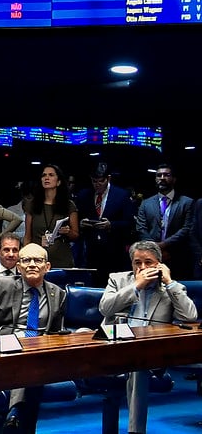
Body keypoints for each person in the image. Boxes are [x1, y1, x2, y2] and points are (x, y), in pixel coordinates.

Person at [0, 243, 66, 434]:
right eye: (26, 260)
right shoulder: (1, 285)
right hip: (6, 350)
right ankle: (16, 413)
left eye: (38, 260)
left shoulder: (57, 293)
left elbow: (56, 333)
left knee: (34, 366)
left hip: (39, 354)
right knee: (30, 370)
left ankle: (15, 414)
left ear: (47, 267)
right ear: (18, 266)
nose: (32, 264)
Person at [98, 240, 197, 434]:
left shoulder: (169, 289)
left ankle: (136, 431)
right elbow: (105, 308)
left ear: (159, 265)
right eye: (137, 263)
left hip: (150, 356)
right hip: (114, 349)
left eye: (148, 262)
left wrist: (169, 282)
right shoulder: (118, 280)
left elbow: (190, 316)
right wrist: (136, 286)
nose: (142, 268)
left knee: (139, 366)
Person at [76, 162, 136, 287]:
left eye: (100, 181)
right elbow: (76, 220)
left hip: (114, 252)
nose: (97, 185)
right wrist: (81, 223)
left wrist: (111, 225)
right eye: (94, 181)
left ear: (108, 178)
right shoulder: (83, 195)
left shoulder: (121, 195)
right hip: (90, 253)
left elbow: (130, 223)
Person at [135, 163, 195, 280]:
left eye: (166, 175)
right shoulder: (146, 203)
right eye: (159, 175)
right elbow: (141, 228)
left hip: (178, 256)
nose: (162, 178)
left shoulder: (187, 202)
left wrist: (164, 245)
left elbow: (186, 229)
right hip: (151, 258)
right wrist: (155, 249)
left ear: (174, 179)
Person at [24, 163, 79, 269]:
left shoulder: (69, 205)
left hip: (62, 260)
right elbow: (27, 237)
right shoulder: (32, 205)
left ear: (58, 182)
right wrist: (26, 257)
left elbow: (76, 235)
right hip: (37, 261)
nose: (46, 178)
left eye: (51, 175)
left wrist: (68, 232)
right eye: (44, 175)